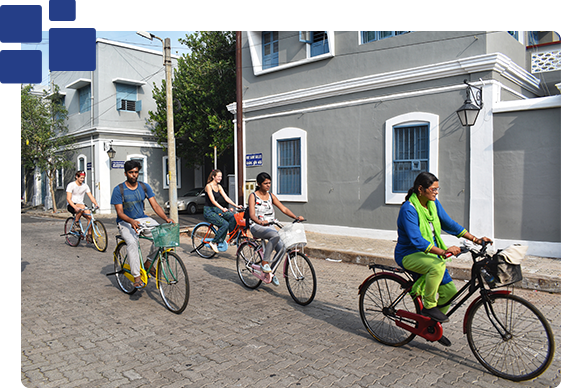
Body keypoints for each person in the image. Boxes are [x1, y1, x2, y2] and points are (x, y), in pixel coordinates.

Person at [395, 171, 492, 345]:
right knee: (437, 266)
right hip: (409, 254)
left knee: (449, 293)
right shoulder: (408, 209)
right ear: (421, 189)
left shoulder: (433, 204)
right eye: (433, 189)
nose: (436, 192)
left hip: (429, 254)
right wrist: (443, 252)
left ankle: (431, 327)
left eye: (438, 189)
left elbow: (449, 224)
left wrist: (475, 239)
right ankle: (429, 307)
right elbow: (416, 240)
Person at [110, 160, 173, 289]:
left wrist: (166, 218)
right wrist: (131, 221)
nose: (134, 175)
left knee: (162, 235)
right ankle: (136, 276)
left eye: (136, 172)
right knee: (132, 242)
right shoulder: (119, 189)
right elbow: (120, 212)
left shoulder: (144, 187)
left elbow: (155, 205)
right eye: (131, 172)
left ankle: (149, 263)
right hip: (125, 221)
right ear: (126, 173)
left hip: (142, 219)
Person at [248, 172, 304, 286]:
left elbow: (283, 208)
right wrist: (260, 222)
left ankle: (270, 273)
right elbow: (252, 215)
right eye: (265, 183)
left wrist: (295, 217)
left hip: (270, 226)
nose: (268, 185)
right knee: (275, 236)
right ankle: (264, 263)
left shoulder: (271, 196)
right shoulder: (253, 196)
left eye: (269, 183)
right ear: (259, 184)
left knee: (283, 248)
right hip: (256, 226)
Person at [203, 169, 242, 253]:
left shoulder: (219, 186)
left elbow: (226, 198)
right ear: (213, 177)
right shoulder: (208, 186)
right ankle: (213, 242)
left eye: (221, 176)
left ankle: (232, 238)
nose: (220, 178)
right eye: (218, 176)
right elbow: (213, 200)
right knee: (225, 224)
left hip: (216, 209)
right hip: (209, 211)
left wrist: (236, 205)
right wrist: (222, 208)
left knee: (232, 217)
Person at [66, 170, 99, 241]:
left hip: (81, 205)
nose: (82, 179)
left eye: (83, 178)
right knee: (81, 207)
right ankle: (76, 223)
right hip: (71, 204)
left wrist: (96, 203)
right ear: (76, 177)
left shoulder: (85, 186)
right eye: (81, 178)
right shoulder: (71, 185)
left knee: (90, 217)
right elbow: (68, 199)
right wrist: (75, 207)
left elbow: (90, 196)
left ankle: (89, 235)